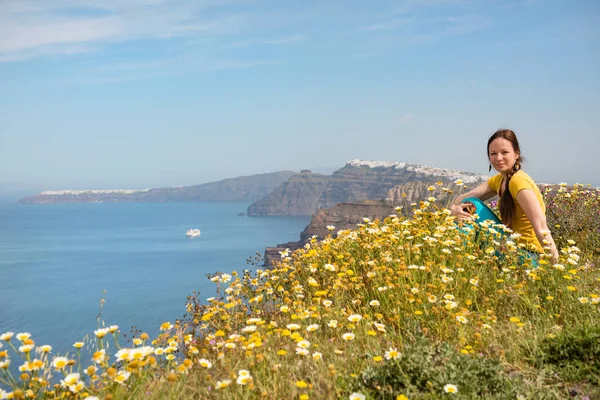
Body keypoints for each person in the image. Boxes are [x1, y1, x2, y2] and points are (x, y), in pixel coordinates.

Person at [450, 129, 559, 264]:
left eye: (504, 152)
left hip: (530, 257)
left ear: (516, 154)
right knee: (469, 204)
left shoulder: (518, 182)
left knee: (470, 216)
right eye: (493, 154)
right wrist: (454, 210)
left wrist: (555, 267)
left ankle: (455, 261)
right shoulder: (500, 180)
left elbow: (541, 226)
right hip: (512, 247)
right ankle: (456, 259)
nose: (498, 158)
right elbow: (462, 199)